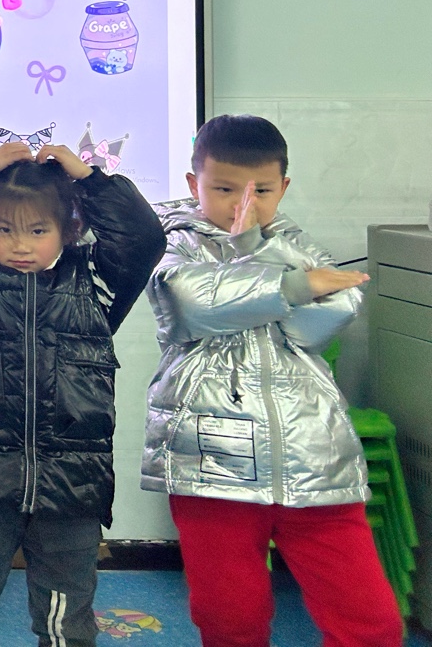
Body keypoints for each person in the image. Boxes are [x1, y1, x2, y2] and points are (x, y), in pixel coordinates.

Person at [142, 114, 403, 646]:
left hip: (314, 456)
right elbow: (193, 306)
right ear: (194, 184)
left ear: (283, 187)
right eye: (224, 189)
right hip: (214, 461)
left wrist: (260, 254)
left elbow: (326, 317)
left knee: (371, 623)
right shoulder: (171, 242)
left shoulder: (293, 243)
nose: (244, 206)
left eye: (261, 191)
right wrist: (294, 285)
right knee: (230, 620)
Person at [0, 141, 166, 647]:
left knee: (67, 617)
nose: (20, 245)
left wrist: (89, 178)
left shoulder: (94, 283)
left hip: (73, 489)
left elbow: (143, 237)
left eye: (38, 230)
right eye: (4, 229)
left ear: (69, 229)